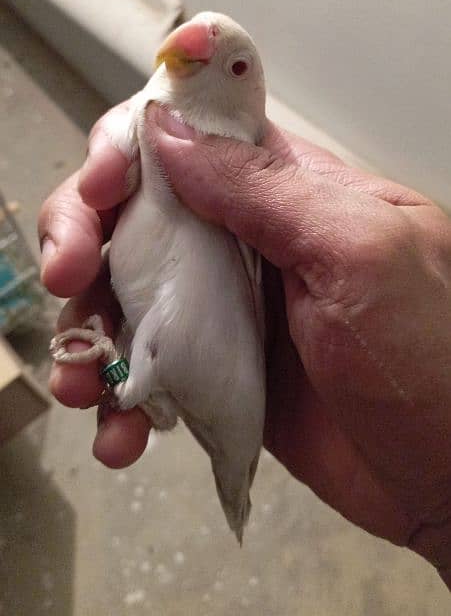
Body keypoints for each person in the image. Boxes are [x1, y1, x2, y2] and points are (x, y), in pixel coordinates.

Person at [39, 103, 451, 587]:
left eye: (233, 67)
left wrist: (112, 359)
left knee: (133, 390)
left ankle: (126, 379)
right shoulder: (161, 152)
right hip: (237, 380)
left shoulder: (233, 164)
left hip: (223, 384)